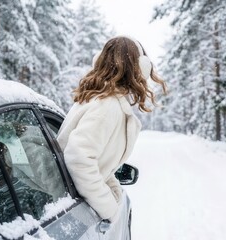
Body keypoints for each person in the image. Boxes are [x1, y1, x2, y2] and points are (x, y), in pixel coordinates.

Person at [57, 36, 167, 222]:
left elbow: (99, 162)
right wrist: (109, 209)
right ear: (139, 67)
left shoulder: (101, 100)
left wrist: (113, 187)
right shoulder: (106, 107)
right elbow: (79, 160)